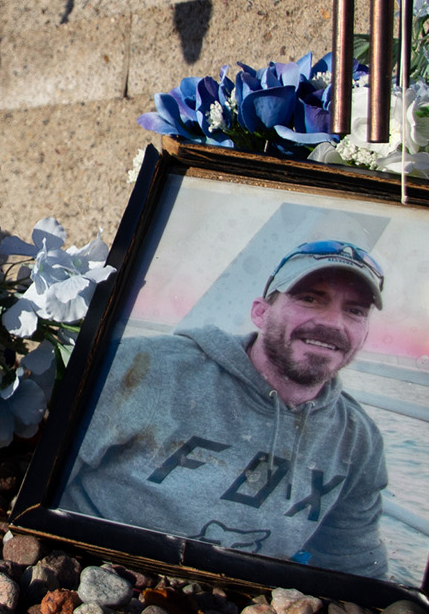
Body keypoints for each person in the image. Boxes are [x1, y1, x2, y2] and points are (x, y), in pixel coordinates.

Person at [59, 239, 389, 578]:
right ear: (260, 311)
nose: (333, 322)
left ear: (364, 335)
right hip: (95, 575)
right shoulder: (146, 366)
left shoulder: (359, 441)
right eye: (309, 298)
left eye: (355, 311)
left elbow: (353, 562)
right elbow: (42, 482)